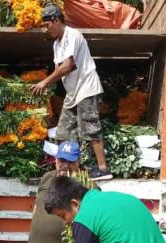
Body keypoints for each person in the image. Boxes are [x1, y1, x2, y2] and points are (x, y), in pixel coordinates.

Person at [32, 5, 112, 181]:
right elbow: (58, 69)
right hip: (72, 94)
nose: (46, 29)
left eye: (47, 25)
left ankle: (103, 169)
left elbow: (68, 65)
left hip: (86, 89)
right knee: (63, 132)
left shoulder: (72, 35)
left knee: (90, 130)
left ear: (57, 20)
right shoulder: (56, 45)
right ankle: (70, 170)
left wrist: (45, 82)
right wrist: (50, 86)